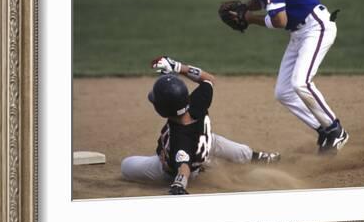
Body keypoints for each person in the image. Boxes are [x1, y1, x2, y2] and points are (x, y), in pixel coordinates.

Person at [235, 0, 349, 154]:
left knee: (300, 83)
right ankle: (324, 129)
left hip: (316, 28)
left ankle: (336, 129)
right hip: (299, 33)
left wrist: (248, 19)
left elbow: (279, 20)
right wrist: (246, 6)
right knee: (284, 92)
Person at [120, 56, 281, 195]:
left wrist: (179, 185)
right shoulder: (198, 102)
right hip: (207, 143)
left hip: (179, 167)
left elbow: (183, 168)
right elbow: (208, 79)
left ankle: (203, 166)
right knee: (221, 145)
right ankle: (257, 157)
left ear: (162, 110)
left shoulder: (180, 139)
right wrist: (177, 66)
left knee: (126, 166)